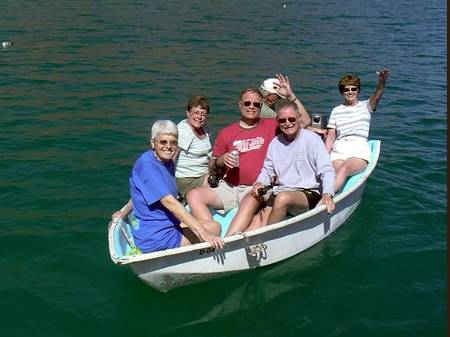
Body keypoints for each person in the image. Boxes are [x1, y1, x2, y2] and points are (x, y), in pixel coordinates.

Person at [225, 99, 335, 236]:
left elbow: (326, 169)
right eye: (282, 120)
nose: (288, 123)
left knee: (283, 199)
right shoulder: (275, 143)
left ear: (298, 118)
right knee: (256, 215)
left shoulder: (313, 140)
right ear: (278, 121)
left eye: (291, 119)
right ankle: (230, 241)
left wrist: (327, 194)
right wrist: (259, 182)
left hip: (307, 193)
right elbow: (267, 171)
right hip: (281, 192)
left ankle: (266, 239)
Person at [115, 120, 224, 253]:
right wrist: (204, 234)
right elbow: (170, 202)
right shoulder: (147, 165)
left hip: (157, 227)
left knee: (210, 225)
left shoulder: (166, 162)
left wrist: (124, 212)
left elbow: (142, 192)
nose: (169, 146)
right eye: (163, 142)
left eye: (173, 142)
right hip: (156, 238)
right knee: (215, 228)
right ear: (152, 143)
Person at [186, 88, 279, 225]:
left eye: (256, 104)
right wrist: (221, 160)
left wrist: (290, 96)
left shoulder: (271, 125)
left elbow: (301, 122)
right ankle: (211, 231)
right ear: (240, 105)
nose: (251, 107)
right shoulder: (226, 133)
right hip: (229, 188)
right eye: (247, 103)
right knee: (193, 195)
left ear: (261, 107)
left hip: (256, 188)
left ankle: (230, 239)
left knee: (253, 209)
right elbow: (211, 165)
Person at [325, 69, 390, 192]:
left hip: (358, 148)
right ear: (342, 92)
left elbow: (378, 95)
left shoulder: (366, 106)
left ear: (358, 90)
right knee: (331, 172)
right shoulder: (336, 110)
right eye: (346, 89)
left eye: (353, 89)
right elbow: (330, 138)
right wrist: (323, 156)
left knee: (344, 169)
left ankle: (325, 200)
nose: (350, 92)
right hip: (340, 148)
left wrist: (382, 82)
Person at [259, 74, 327, 137]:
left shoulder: (260, 107)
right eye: (278, 97)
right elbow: (305, 122)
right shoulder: (267, 113)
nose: (279, 100)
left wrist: (312, 129)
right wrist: (291, 96)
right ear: (269, 96)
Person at [176, 95, 212, 199]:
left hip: (203, 175)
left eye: (203, 114)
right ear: (188, 113)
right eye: (196, 113)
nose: (199, 117)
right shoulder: (184, 131)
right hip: (188, 178)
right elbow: (172, 157)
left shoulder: (205, 128)